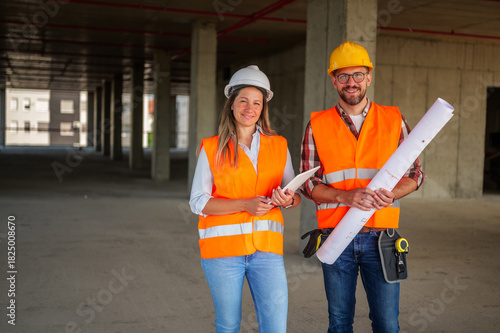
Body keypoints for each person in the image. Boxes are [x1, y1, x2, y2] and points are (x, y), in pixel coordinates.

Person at [300, 41, 425, 332]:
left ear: (369, 77)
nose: (351, 82)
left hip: (381, 238)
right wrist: (345, 195)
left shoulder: (394, 120)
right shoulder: (317, 124)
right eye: (343, 76)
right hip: (336, 237)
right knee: (340, 323)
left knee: (386, 324)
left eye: (358, 75)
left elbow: (416, 174)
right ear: (333, 80)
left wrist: (393, 193)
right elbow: (308, 184)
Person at [190, 65, 301, 333]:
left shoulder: (279, 145)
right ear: (231, 105)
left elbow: (293, 194)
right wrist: (244, 204)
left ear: (263, 108)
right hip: (223, 253)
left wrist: (287, 200)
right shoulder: (212, 148)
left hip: (267, 252)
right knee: (228, 325)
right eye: (243, 101)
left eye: (257, 103)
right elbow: (197, 202)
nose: (249, 108)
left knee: (275, 326)